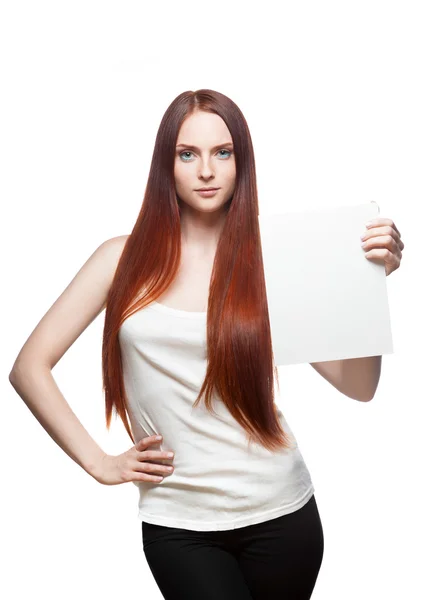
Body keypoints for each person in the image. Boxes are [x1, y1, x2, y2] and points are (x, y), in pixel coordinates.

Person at [9, 89, 404, 599]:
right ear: (166, 165)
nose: (206, 171)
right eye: (187, 154)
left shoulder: (274, 261)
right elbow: (29, 366)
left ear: (242, 161)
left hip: (282, 514)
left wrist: (365, 285)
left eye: (223, 152)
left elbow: (359, 385)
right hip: (179, 523)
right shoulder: (120, 260)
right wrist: (99, 462)